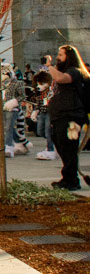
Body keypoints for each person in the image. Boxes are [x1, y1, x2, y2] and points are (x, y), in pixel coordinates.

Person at [44, 46, 89, 191]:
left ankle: (72, 180)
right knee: (62, 146)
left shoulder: (74, 71)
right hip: (61, 116)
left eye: (61, 55)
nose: (58, 57)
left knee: (69, 147)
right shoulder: (66, 70)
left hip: (71, 118)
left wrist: (49, 66)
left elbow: (61, 79)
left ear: (69, 57)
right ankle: (68, 177)